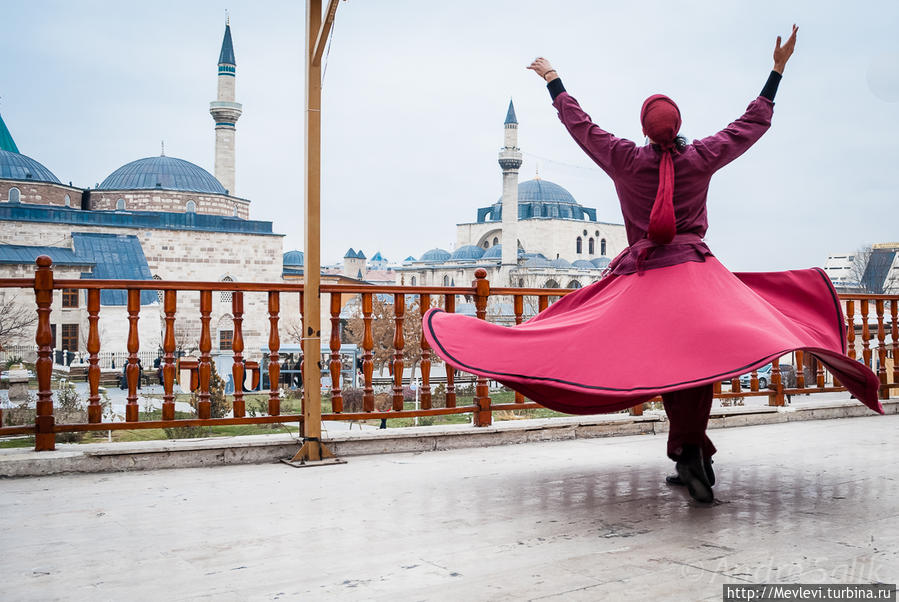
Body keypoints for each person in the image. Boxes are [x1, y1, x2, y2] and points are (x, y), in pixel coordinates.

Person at [422, 25, 883, 504]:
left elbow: (583, 128)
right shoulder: (700, 156)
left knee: (663, 362)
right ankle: (692, 453)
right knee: (697, 363)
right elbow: (749, 126)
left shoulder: (624, 159)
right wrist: (777, 71)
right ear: (678, 126)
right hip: (696, 275)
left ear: (644, 128)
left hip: (645, 278)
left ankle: (688, 454)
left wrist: (553, 80)